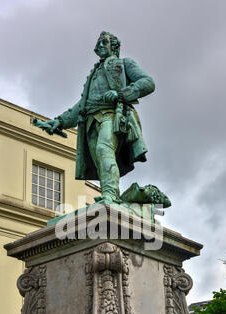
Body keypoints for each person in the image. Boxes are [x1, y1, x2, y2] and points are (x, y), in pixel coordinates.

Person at [42, 31, 155, 203]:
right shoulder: (94, 73)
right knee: (99, 159)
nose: (100, 46)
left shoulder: (125, 63)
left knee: (104, 149)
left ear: (114, 46)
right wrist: (59, 121)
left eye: (104, 43)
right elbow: (82, 105)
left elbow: (148, 83)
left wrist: (120, 93)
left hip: (113, 115)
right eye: (98, 44)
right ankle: (111, 195)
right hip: (90, 122)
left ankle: (109, 196)